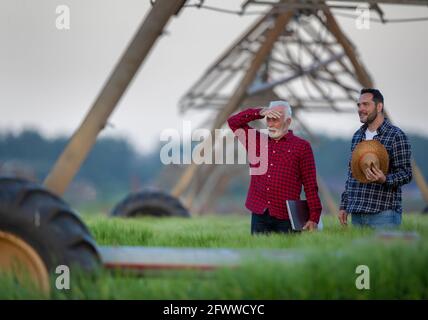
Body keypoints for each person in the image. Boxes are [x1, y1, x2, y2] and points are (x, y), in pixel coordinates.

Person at [227, 100, 322, 234]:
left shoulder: (302, 147)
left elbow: (310, 185)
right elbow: (233, 122)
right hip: (259, 213)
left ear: (288, 122)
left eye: (275, 120)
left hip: (287, 217)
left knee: (288, 254)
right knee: (256, 254)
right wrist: (259, 112)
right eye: (268, 119)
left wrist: (314, 217)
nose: (270, 124)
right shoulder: (257, 141)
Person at [339, 88, 412, 229]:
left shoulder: (396, 136)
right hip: (357, 214)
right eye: (359, 105)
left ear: (379, 107)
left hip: (384, 214)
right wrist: (344, 206)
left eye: (366, 104)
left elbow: (406, 174)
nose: (360, 109)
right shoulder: (357, 136)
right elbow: (351, 175)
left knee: (383, 252)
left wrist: (385, 179)